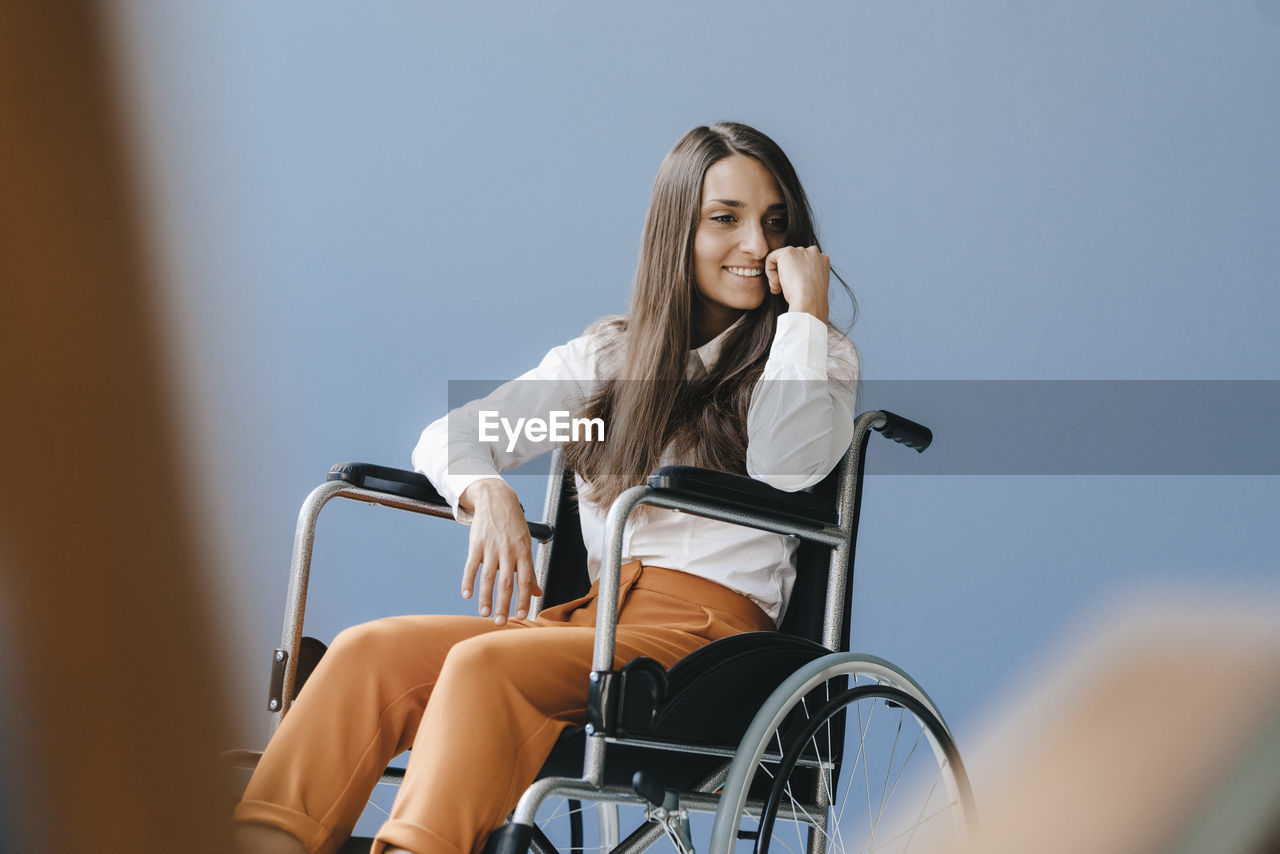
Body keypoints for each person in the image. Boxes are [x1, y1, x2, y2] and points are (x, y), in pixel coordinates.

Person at [232, 121, 859, 854]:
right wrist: (488, 495)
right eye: (727, 219)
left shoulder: (812, 356)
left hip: (709, 645)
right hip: (590, 625)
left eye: (775, 223)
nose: (756, 245)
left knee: (482, 664)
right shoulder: (612, 356)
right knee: (369, 652)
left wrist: (806, 313)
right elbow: (453, 436)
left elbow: (789, 464)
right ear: (675, 234)